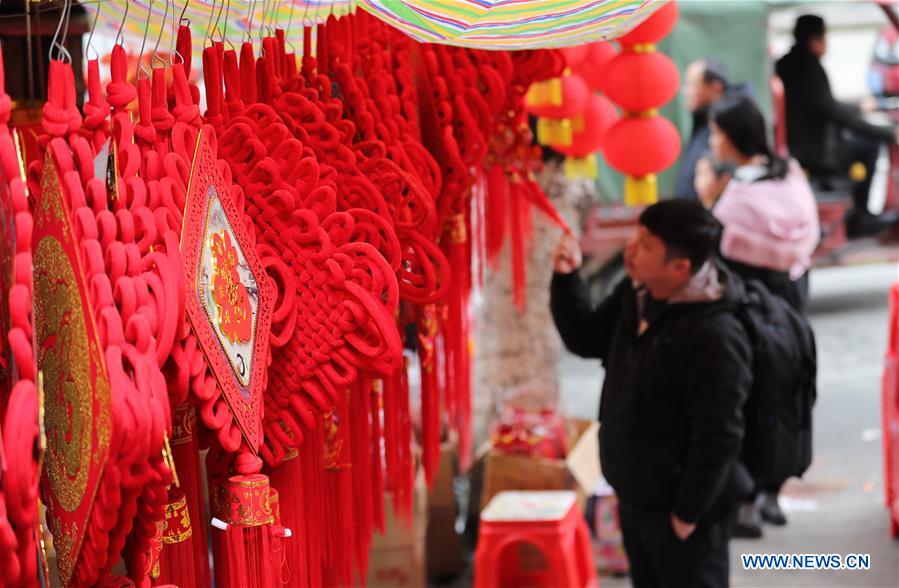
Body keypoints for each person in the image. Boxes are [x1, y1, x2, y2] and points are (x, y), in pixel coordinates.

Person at [550, 200, 753, 588]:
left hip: (682, 510)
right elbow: (588, 337)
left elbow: (719, 433)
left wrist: (687, 514)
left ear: (680, 268)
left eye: (645, 245)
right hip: (636, 495)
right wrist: (567, 280)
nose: (630, 249)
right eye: (635, 237)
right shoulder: (640, 292)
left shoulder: (715, 335)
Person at [705, 94, 820, 536]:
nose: (713, 142)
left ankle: (750, 499)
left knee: (747, 397)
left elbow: (719, 244)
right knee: (787, 395)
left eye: (716, 133)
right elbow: (805, 238)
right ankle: (771, 493)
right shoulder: (790, 176)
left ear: (733, 136)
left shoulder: (739, 192)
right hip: (792, 307)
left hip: (749, 311)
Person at [776, 14, 899, 238]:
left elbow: (826, 105)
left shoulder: (790, 63)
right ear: (814, 40)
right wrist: (887, 132)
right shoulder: (807, 68)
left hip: (804, 142)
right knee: (868, 146)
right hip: (814, 150)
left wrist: (857, 107)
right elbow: (831, 111)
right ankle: (860, 216)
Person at [675, 59, 731, 200]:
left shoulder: (728, 126)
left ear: (715, 87)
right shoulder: (702, 122)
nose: (685, 92)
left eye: (691, 85)